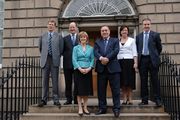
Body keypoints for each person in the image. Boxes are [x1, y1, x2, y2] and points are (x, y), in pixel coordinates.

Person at [94, 25, 121, 118]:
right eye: (102, 31)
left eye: (106, 30)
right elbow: (95, 52)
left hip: (113, 69)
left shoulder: (115, 40)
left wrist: (107, 58)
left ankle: (116, 108)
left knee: (116, 90)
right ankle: (102, 108)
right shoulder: (97, 41)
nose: (104, 32)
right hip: (101, 69)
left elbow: (116, 50)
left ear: (109, 31)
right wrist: (101, 58)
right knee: (101, 90)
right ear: (101, 32)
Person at [136, 18, 162, 107]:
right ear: (142, 25)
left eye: (148, 24)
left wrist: (154, 56)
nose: (146, 26)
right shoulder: (138, 36)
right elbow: (137, 49)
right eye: (145, 24)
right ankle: (144, 100)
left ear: (150, 25)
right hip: (142, 60)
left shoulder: (155, 35)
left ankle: (157, 99)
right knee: (143, 81)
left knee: (155, 80)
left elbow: (159, 48)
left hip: (152, 60)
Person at [38, 20, 63, 107]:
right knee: (44, 81)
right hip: (45, 60)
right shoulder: (43, 36)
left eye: (52, 25)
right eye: (49, 24)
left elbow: (61, 49)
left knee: (55, 80)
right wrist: (45, 55)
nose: (50, 26)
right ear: (47, 26)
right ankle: (44, 100)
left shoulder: (59, 36)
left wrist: (56, 56)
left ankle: (56, 99)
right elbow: (40, 48)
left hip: (54, 60)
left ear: (55, 26)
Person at [72, 31, 94, 116]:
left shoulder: (91, 48)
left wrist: (89, 68)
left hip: (88, 70)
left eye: (84, 37)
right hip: (78, 70)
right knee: (79, 90)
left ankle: (85, 107)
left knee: (86, 90)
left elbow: (92, 59)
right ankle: (80, 108)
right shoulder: (75, 48)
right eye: (81, 37)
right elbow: (74, 59)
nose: (83, 38)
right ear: (79, 39)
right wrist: (80, 68)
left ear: (87, 38)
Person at [117, 25, 138, 105]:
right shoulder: (117, 41)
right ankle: (124, 98)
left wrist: (135, 63)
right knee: (122, 81)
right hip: (120, 62)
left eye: (126, 30)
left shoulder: (132, 40)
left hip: (129, 61)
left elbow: (134, 52)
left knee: (129, 81)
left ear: (128, 31)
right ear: (120, 32)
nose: (124, 31)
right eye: (123, 30)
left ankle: (130, 98)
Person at [63, 22, 78, 105]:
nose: (72, 29)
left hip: (77, 65)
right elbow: (62, 50)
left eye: (73, 27)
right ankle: (68, 99)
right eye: (70, 27)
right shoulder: (65, 38)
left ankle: (76, 99)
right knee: (68, 82)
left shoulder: (80, 38)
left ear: (76, 28)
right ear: (69, 29)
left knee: (77, 82)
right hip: (67, 64)